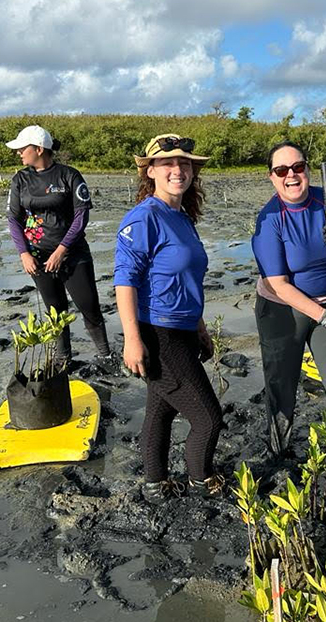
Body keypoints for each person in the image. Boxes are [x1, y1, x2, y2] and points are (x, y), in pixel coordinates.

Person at [114, 134, 224, 502]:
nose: (178, 170)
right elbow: (125, 280)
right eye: (167, 164)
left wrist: (200, 326)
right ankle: (200, 481)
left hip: (183, 329)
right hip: (156, 333)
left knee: (160, 411)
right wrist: (132, 338)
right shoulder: (144, 217)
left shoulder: (181, 217)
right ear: (151, 171)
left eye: (185, 163)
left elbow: (184, 278)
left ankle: (155, 484)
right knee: (208, 419)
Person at [251, 141, 326, 458]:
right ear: (272, 177)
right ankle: (278, 450)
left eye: (298, 167)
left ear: (307, 169)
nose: (291, 175)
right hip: (282, 311)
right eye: (281, 170)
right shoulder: (270, 219)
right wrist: (323, 316)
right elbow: (279, 284)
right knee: (282, 383)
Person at [5, 125, 112, 364]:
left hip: (73, 255)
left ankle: (105, 355)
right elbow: (13, 219)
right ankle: (63, 358)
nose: (19, 153)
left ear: (39, 149)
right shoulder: (20, 179)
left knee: (89, 307)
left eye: (23, 148)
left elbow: (81, 216)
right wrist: (24, 253)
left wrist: (62, 250)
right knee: (55, 311)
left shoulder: (69, 176)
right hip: (38, 258)